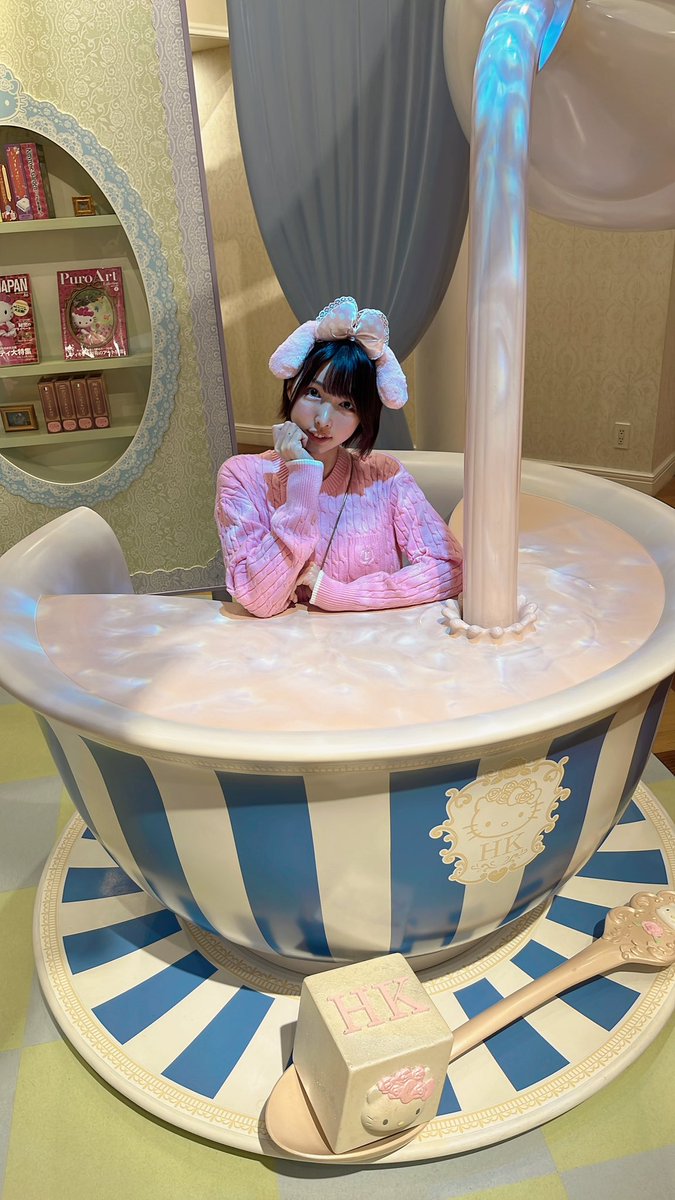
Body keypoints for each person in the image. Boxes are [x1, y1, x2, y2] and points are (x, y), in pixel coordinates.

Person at [215, 296, 463, 617]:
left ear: (364, 416)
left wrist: (341, 595)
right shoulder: (242, 476)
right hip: (287, 648)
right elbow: (260, 600)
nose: (323, 421)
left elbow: (451, 569)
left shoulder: (384, 476)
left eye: (346, 405)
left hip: (372, 645)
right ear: (291, 388)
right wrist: (302, 478)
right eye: (313, 393)